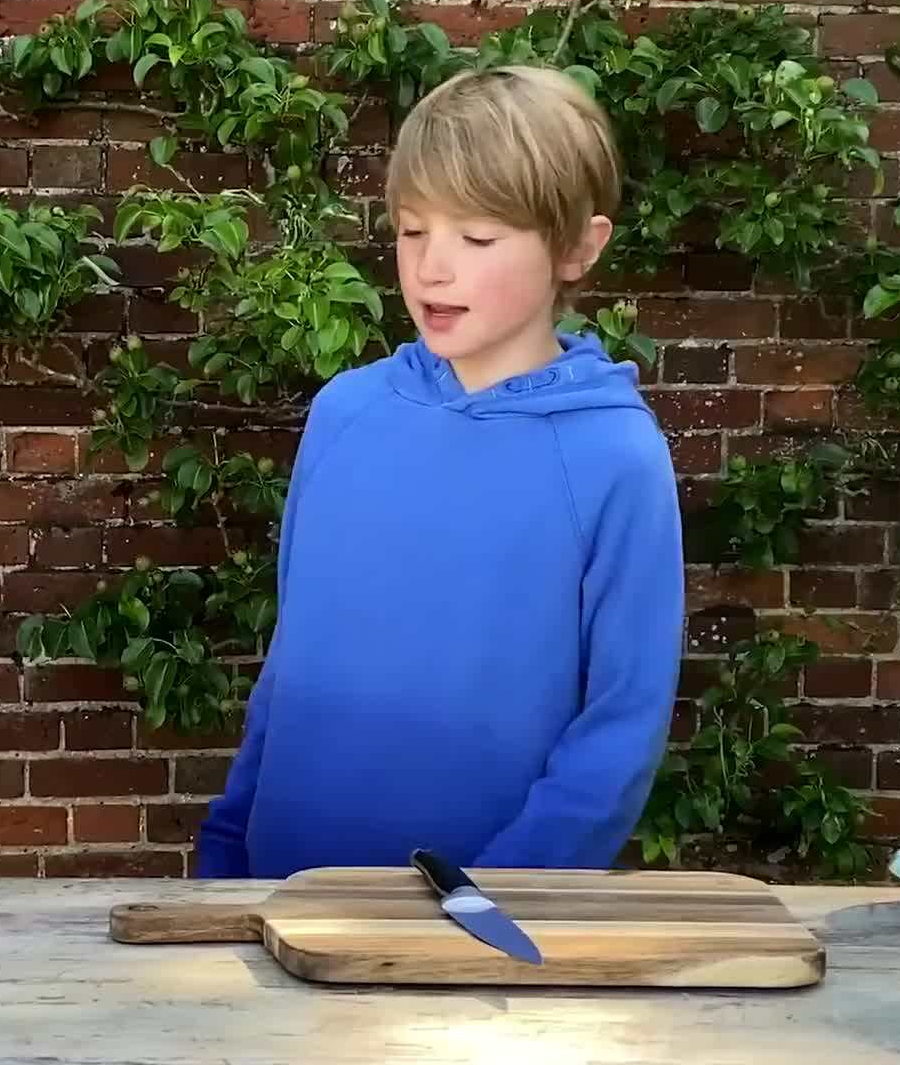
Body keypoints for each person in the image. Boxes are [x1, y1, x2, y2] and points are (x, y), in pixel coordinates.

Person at [194, 65, 687, 879]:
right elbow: (292, 665)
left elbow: (622, 726)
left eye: (478, 237)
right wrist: (227, 846)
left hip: (483, 934)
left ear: (577, 248)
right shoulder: (345, 414)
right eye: (413, 230)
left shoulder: (613, 455)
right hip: (284, 895)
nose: (432, 268)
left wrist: (488, 900)